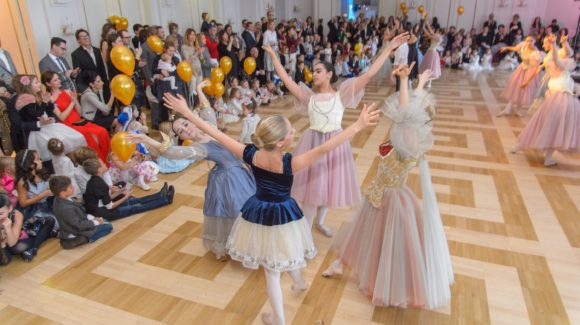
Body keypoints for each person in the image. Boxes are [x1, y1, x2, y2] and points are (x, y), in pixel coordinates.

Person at [161, 88, 379, 325]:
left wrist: (186, 113)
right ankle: (280, 318)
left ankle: (296, 286)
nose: (295, 131)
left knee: (274, 267)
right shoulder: (290, 163)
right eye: (290, 130)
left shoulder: (250, 153)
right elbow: (325, 148)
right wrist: (357, 126)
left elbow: (216, 133)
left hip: (258, 212)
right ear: (279, 142)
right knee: (286, 252)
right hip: (284, 212)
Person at [322, 66, 453, 308]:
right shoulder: (405, 133)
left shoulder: (409, 141)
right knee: (361, 232)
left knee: (384, 241)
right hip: (377, 192)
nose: (407, 112)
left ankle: (372, 277)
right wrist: (419, 83)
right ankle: (340, 264)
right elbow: (408, 110)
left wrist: (404, 80)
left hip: (389, 198)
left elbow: (405, 110)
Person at [261, 32, 409, 237]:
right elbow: (286, 80)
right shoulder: (308, 97)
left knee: (329, 188)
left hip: (336, 144)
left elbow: (368, 74)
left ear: (330, 74)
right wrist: (275, 57)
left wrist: (389, 47)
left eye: (318, 70)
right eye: (313, 71)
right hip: (312, 145)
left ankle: (320, 222)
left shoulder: (342, 94)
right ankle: (304, 237)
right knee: (312, 194)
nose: (314, 74)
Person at [127, 81, 256, 259]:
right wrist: (147, 139)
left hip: (241, 170)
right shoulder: (199, 148)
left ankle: (248, 242)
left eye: (186, 125)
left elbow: (206, 109)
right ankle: (239, 246)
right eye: (181, 131)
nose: (186, 130)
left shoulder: (209, 127)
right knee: (236, 211)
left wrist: (198, 90)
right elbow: (172, 152)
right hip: (229, 180)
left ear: (192, 122)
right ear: (181, 137)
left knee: (248, 208)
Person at [511, 36, 580, 166]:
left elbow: (566, 54)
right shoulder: (551, 57)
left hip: (562, 98)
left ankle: (546, 157)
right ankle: (523, 146)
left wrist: (560, 43)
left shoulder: (560, 61)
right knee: (543, 123)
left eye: (544, 43)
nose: (542, 45)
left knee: (552, 126)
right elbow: (546, 62)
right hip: (555, 96)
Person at [12, 74, 86, 162]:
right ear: (28, 86)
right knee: (59, 146)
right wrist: (44, 102)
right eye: (36, 83)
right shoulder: (26, 99)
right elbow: (36, 114)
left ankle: (75, 164)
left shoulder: (38, 96)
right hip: (38, 132)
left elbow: (49, 112)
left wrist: (50, 103)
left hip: (48, 126)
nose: (39, 84)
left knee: (68, 142)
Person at [42, 71, 111, 163]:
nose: (59, 81)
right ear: (48, 83)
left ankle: (107, 159)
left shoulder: (66, 91)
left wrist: (75, 100)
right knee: (89, 136)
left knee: (102, 131)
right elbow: (61, 117)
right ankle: (98, 162)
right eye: (55, 80)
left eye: (58, 78)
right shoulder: (50, 99)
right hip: (68, 124)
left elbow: (79, 111)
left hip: (79, 120)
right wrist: (72, 102)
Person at [50, 176, 113, 249]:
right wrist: (96, 222)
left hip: (76, 224)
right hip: (77, 230)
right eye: (70, 187)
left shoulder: (58, 199)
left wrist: (93, 219)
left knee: (105, 221)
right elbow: (78, 225)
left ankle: (74, 237)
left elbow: (80, 213)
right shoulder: (66, 208)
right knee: (108, 226)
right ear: (63, 192)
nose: (73, 188)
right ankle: (83, 238)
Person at [497, 36, 541, 117]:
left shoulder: (536, 53)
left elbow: (535, 69)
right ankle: (508, 108)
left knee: (523, 90)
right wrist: (506, 47)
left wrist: (527, 81)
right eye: (527, 40)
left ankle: (518, 108)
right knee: (516, 88)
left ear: (534, 42)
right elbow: (515, 48)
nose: (529, 42)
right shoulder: (523, 46)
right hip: (521, 69)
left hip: (529, 72)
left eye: (531, 41)